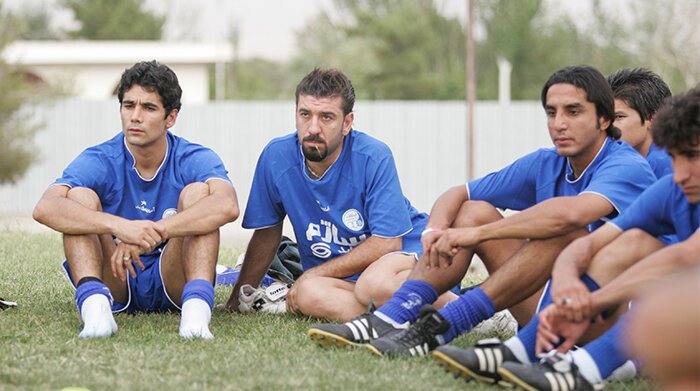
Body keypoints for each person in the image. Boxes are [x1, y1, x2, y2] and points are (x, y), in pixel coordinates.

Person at [308, 65, 657, 356]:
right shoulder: (546, 162)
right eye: (551, 113)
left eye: (573, 111)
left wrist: (476, 234)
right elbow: (459, 192)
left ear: (603, 120)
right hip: (545, 304)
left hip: (604, 320)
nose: (558, 123)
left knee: (560, 231)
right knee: (473, 209)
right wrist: (435, 231)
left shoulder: (626, 165)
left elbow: (570, 215)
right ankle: (395, 316)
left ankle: (449, 322)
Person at [448, 85, 700, 390]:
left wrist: (591, 302)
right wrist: (567, 281)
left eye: (693, 157)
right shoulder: (672, 189)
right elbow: (591, 242)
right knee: (629, 244)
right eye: (675, 158)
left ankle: (591, 364)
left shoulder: (628, 167)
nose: (682, 172)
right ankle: (524, 352)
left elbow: (684, 257)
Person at [33, 61, 239, 339]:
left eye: (149, 107)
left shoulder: (193, 157)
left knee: (199, 195)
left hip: (173, 275)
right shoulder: (101, 158)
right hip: (118, 275)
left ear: (171, 117)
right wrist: (119, 227)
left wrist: (155, 232)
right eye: (129, 106)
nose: (135, 116)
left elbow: (227, 205)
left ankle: (196, 319)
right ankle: (96, 315)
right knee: (78, 198)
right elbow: (46, 207)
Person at [222, 68, 431, 323]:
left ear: (347, 123)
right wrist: (235, 302)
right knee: (306, 294)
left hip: (405, 257)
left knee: (375, 285)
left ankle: (462, 309)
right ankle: (398, 318)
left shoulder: (374, 156)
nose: (313, 128)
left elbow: (387, 243)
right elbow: (267, 233)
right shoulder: (276, 157)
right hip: (344, 282)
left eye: (326, 117)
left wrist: (315, 272)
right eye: (305, 114)